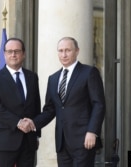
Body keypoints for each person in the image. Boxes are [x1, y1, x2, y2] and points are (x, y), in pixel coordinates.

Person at [19, 37, 106, 167]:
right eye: (60, 51)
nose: (64, 54)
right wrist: (33, 123)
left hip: (84, 140)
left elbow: (99, 104)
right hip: (62, 142)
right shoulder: (53, 79)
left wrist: (92, 131)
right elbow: (50, 110)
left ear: (77, 51)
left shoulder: (89, 73)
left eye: (68, 50)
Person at [0, 37, 41, 167]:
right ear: (4, 54)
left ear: (24, 54)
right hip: (5, 139)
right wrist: (18, 122)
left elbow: (35, 106)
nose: (13, 54)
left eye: (17, 51)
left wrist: (36, 134)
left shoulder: (32, 77)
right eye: (9, 51)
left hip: (28, 140)